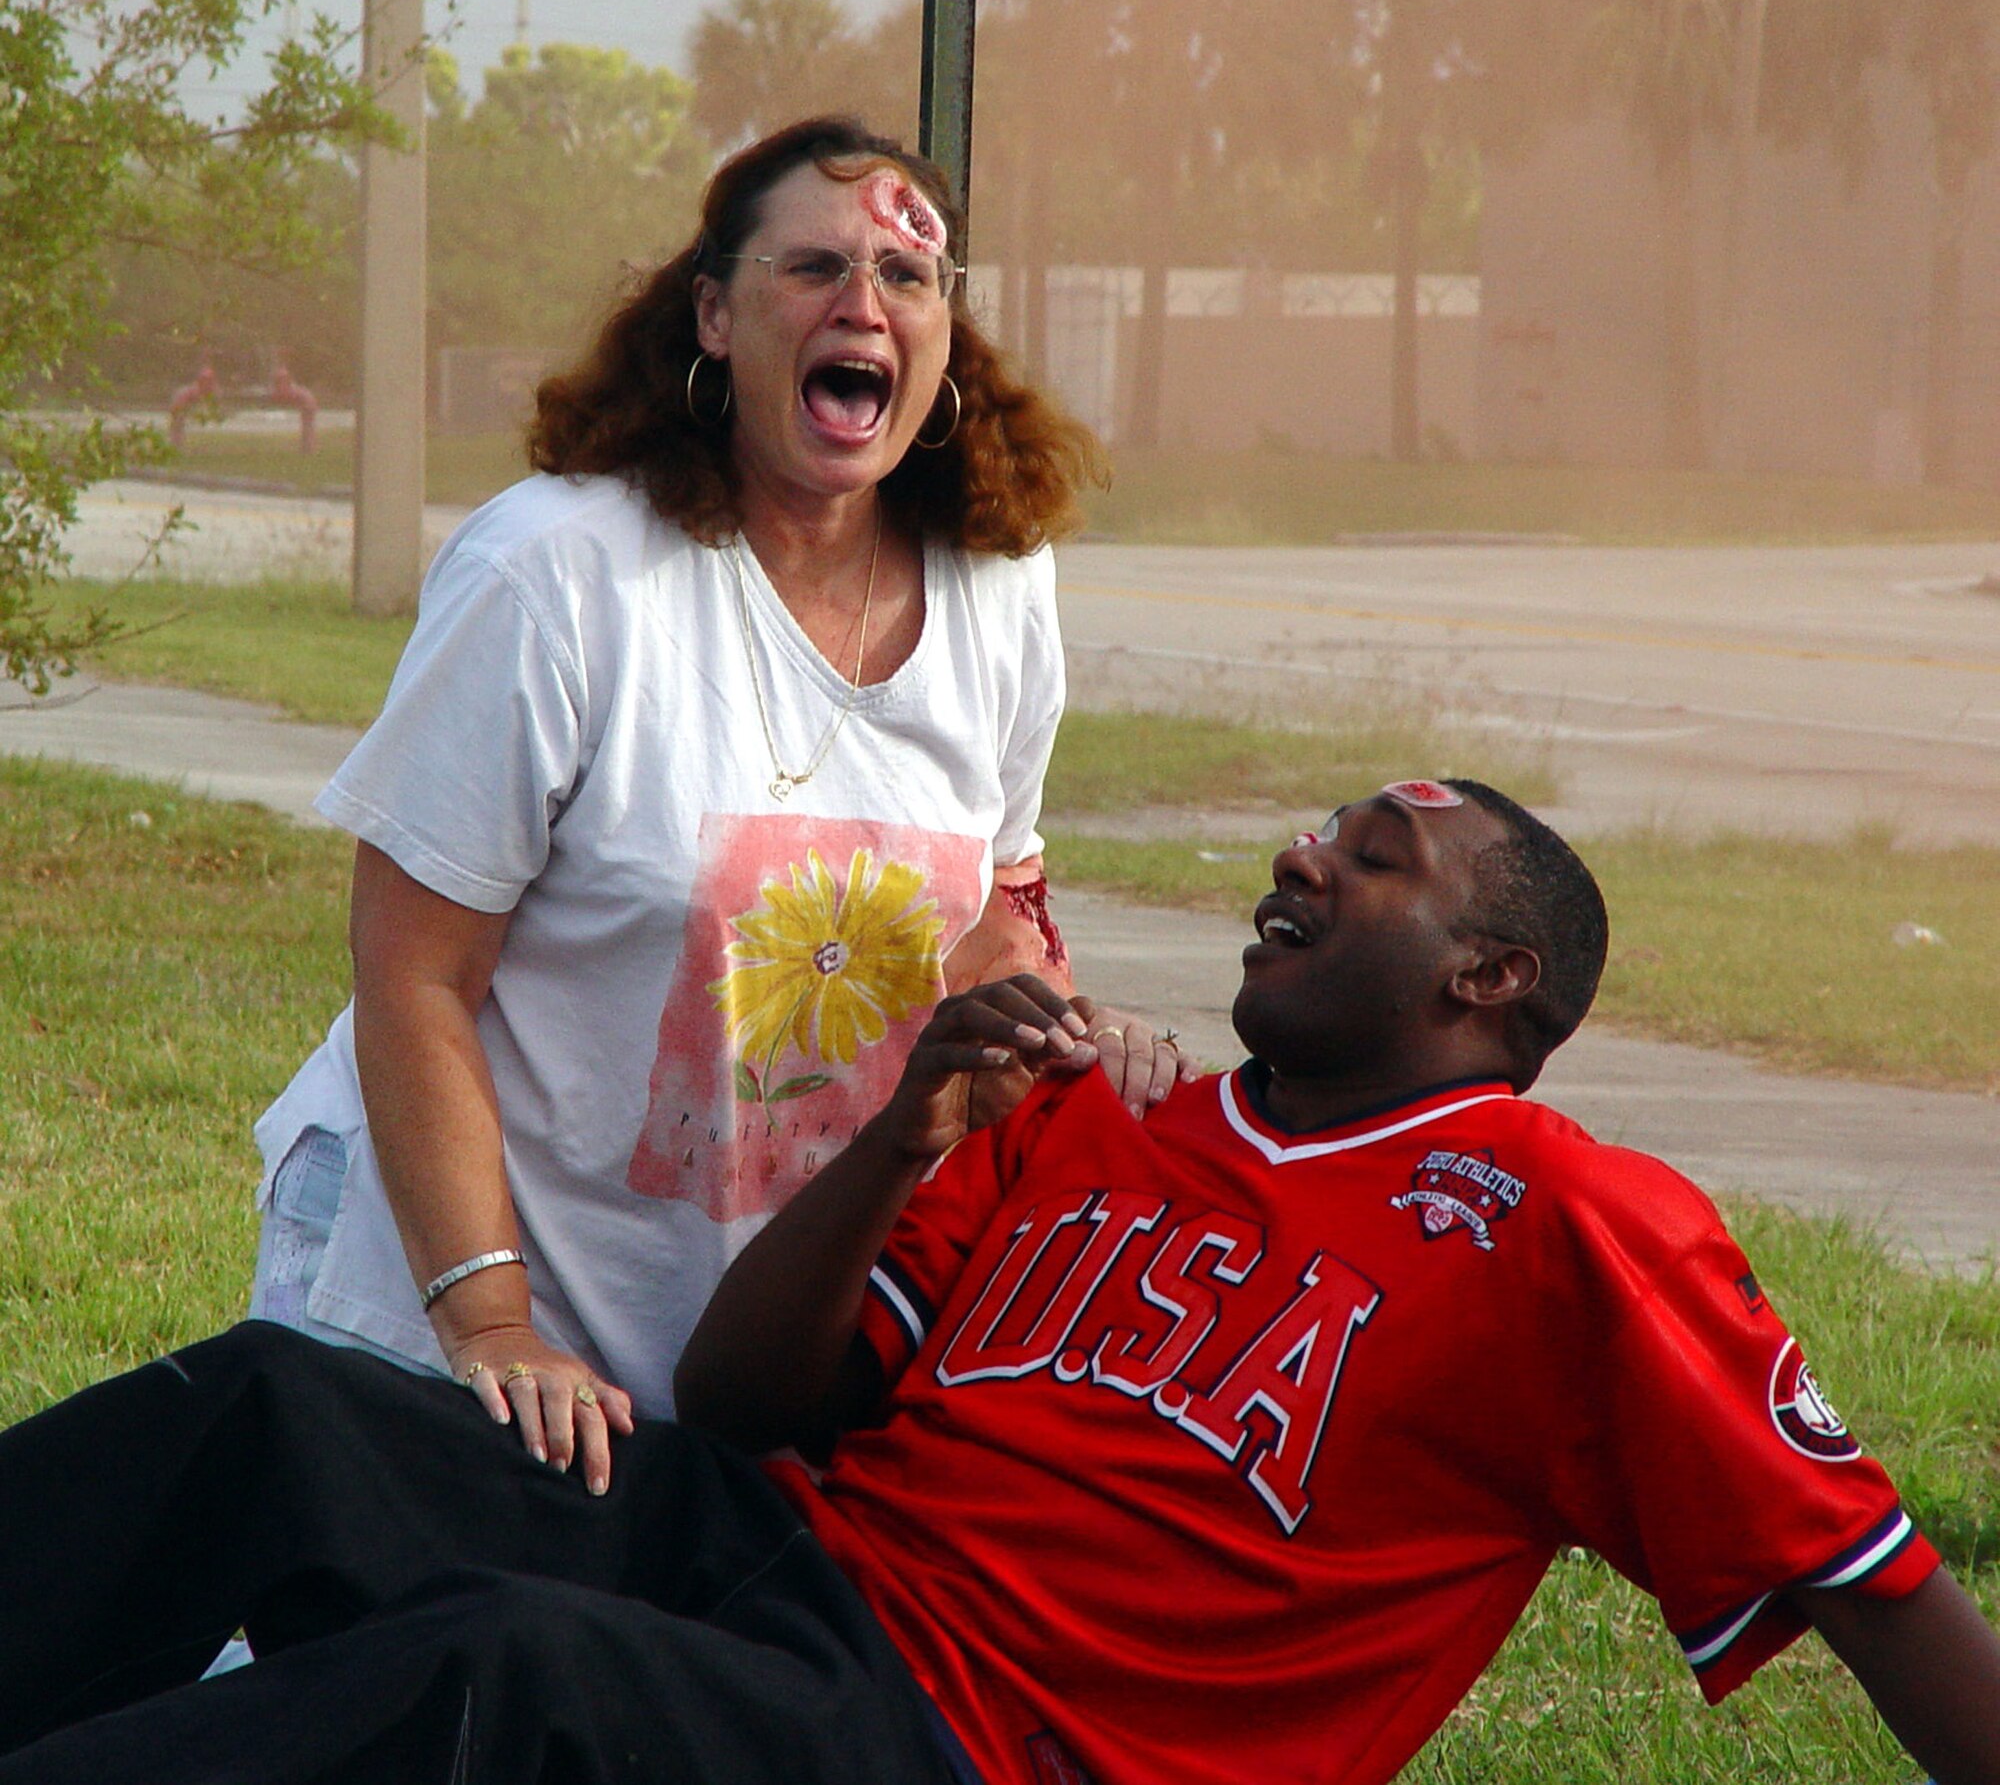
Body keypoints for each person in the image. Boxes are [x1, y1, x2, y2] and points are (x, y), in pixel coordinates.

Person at [4, 778, 1996, 1785]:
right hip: (784, 1557)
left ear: (1495, 982)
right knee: (290, 1412)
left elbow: (1876, 1588)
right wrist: (905, 1135)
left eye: (1374, 855)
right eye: (1316, 829)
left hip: (975, 1746)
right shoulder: (1084, 1111)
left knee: (506, 1681)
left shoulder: (1563, 1219)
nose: (1302, 849)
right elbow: (754, 1403)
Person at [249, 115, 1187, 1479]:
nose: (862, 302)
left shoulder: (1000, 586)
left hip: (730, 1331)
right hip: (444, 1292)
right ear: (714, 314)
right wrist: (493, 1327)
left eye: (906, 276)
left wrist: (1059, 1022)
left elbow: (993, 898)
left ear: (946, 341)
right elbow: (414, 978)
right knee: (368, 1680)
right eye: (812, 267)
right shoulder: (556, 576)